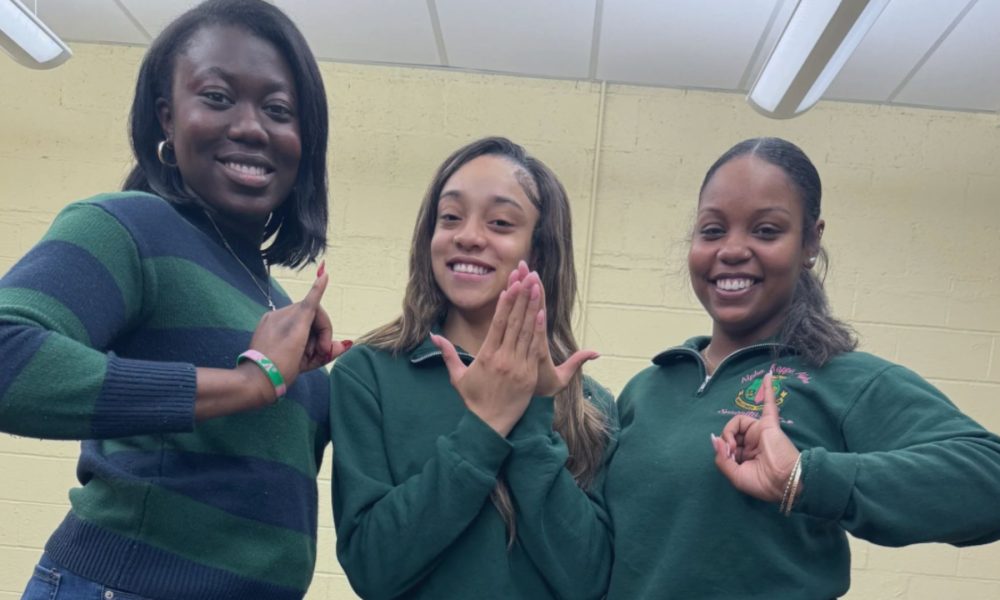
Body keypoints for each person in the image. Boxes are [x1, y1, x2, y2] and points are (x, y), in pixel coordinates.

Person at [1, 1, 348, 599]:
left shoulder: (269, 296)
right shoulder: (129, 225)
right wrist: (248, 382)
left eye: (278, 110)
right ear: (167, 117)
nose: (250, 126)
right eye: (217, 97)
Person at [605, 137, 1000, 599]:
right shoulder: (647, 388)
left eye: (766, 231)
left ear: (810, 242)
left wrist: (805, 478)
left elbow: (988, 479)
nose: (732, 249)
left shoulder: (842, 379)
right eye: (712, 230)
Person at [329, 136, 618, 599]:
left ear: (539, 251)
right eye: (450, 217)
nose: (467, 235)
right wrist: (484, 427)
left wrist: (530, 412)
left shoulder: (591, 404)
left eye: (500, 222)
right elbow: (372, 568)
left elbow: (590, 581)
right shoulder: (366, 375)